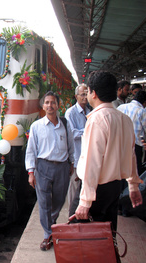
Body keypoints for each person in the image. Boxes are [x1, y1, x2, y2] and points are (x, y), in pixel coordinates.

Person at [75, 71, 143, 234]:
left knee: (90, 239)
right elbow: (131, 154)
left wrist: (85, 200)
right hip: (115, 186)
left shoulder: (96, 119)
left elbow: (92, 162)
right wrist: (133, 185)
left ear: (94, 93)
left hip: (97, 190)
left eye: (88, 91)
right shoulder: (124, 119)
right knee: (108, 233)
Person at [25, 91, 74, 251]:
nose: (50, 105)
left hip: (62, 168)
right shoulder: (36, 126)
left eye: (53, 102)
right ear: (43, 105)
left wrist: (72, 163)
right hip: (43, 167)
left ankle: (51, 222)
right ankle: (48, 234)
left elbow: (72, 146)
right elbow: (31, 150)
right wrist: (31, 172)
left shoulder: (66, 125)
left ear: (58, 105)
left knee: (59, 201)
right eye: (47, 102)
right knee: (44, 202)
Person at [64, 84, 90, 216]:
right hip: (77, 157)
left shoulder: (89, 112)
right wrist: (89, 131)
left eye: (87, 94)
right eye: (82, 94)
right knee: (74, 188)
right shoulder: (71, 113)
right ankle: (71, 215)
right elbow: (72, 133)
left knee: (85, 187)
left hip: (88, 156)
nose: (85, 97)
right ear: (76, 96)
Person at [117, 90, 146, 175]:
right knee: (135, 171)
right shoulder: (141, 111)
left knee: (123, 170)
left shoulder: (121, 107)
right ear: (144, 102)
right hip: (136, 146)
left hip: (121, 144)